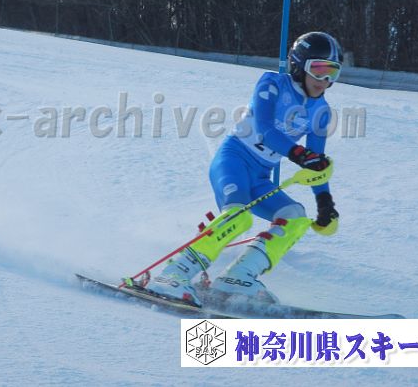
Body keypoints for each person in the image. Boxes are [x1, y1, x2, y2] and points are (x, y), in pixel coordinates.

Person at [146, 31, 343, 306]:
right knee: (238, 216)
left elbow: (317, 162)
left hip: (260, 178)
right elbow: (265, 129)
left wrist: (324, 201)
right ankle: (173, 274)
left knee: (295, 217)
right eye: (318, 69)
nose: (325, 80)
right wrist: (298, 153)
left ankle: (237, 277)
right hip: (234, 161)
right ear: (299, 65)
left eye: (332, 72)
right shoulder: (272, 84)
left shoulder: (321, 112)